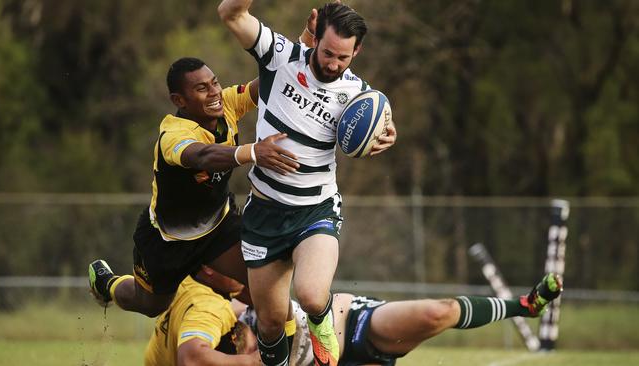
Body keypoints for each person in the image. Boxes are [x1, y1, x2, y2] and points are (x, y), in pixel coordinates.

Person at [218, 1, 397, 365]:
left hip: (314, 209)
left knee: (313, 295)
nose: (333, 63)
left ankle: (322, 325)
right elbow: (231, 14)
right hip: (264, 213)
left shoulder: (358, 94)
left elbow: (381, 123)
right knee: (270, 324)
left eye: (343, 57)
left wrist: (388, 134)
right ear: (315, 38)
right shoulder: (281, 56)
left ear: (357, 51)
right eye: (328, 52)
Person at [87, 56, 300, 317]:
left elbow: (273, 80)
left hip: (218, 227)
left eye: (215, 83)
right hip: (168, 241)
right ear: (179, 101)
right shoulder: (173, 134)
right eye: (202, 89)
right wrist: (253, 151)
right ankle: (107, 284)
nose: (214, 93)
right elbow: (202, 157)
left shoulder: (228, 104)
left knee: (265, 285)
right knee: (152, 306)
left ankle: (289, 351)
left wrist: (308, 46)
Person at [145, 266, 564, 366]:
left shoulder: (234, 302)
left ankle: (523, 306)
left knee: (442, 311)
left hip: (350, 324)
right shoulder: (211, 322)